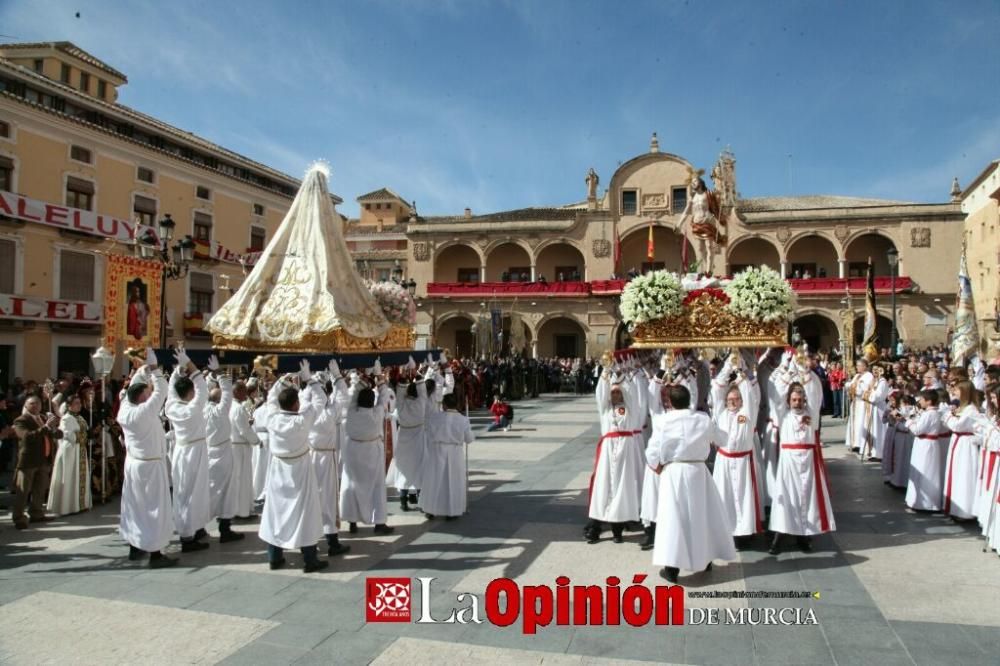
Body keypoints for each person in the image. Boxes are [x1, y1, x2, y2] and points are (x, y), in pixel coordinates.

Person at [646, 384, 735, 583]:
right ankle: (705, 559)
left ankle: (672, 567)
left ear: (670, 402)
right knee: (701, 516)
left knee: (674, 519)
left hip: (674, 472)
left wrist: (658, 467)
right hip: (698, 471)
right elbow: (722, 439)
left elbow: (652, 452)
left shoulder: (663, 420)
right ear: (689, 400)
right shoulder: (703, 419)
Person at [259, 361, 328, 572]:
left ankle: (274, 556)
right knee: (306, 512)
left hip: (279, 469)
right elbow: (321, 400)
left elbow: (271, 398)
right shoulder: (302, 421)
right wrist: (309, 378)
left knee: (276, 512)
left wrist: (281, 380)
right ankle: (310, 559)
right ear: (296, 404)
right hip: (300, 470)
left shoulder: (272, 419)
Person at [117, 348, 176, 567]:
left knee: (135, 506)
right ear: (142, 397)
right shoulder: (145, 411)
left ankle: (135, 547)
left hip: (133, 464)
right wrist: (153, 368)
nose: (149, 395)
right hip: (150, 466)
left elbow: (134, 390)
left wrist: (141, 369)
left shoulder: (124, 410)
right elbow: (163, 389)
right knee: (154, 507)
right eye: (146, 394)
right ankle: (155, 553)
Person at [768, 382, 836, 555]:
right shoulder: (783, 415)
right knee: (787, 499)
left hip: (807, 463)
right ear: (788, 401)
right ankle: (779, 537)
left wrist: (805, 374)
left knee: (806, 499)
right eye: (794, 400)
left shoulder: (811, 414)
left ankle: (804, 536)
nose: (797, 403)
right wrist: (787, 374)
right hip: (789, 464)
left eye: (800, 400)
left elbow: (815, 394)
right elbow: (776, 399)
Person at [584, 364, 645, 545]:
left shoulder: (630, 409)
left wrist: (622, 374)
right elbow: (600, 393)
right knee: (603, 487)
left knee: (622, 488)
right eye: (613, 392)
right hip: (608, 450)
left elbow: (633, 394)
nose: (615, 395)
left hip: (625, 449)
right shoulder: (605, 409)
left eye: (618, 392)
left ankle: (618, 529)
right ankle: (596, 527)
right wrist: (606, 372)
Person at [710, 354, 764, 550]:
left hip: (742, 462)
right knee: (724, 497)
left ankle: (744, 532)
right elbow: (716, 388)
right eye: (730, 399)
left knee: (743, 498)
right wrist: (727, 368)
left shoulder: (747, 413)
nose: (733, 401)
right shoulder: (721, 413)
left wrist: (740, 372)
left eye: (736, 399)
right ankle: (727, 530)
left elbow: (749, 396)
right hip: (724, 461)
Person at [164, 349, 212, 552]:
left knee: (191, 492)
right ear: (190, 393)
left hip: (183, 451)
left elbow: (171, 390)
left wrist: (178, 368)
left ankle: (196, 526)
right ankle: (187, 535)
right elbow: (202, 386)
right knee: (191, 493)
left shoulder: (171, 406)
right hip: (194, 453)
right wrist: (189, 364)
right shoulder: (193, 408)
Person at [340, 366, 395, 535]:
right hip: (372, 451)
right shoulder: (377, 413)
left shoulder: (351, 412)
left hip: (353, 451)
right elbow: (384, 396)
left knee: (351, 485)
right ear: (372, 402)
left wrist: (362, 377)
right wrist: (378, 375)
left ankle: (352, 521)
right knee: (377, 487)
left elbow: (355, 396)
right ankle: (379, 523)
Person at [308, 359, 351, 557]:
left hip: (308, 458)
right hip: (326, 459)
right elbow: (343, 397)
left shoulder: (304, 413)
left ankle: (310, 540)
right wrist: (337, 376)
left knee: (312, 498)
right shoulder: (329, 413)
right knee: (329, 498)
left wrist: (309, 380)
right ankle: (332, 542)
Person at [421, 393, 474, 519]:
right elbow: (469, 439)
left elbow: (428, 432)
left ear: (444, 405)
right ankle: (452, 511)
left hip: (437, 450)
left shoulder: (434, 417)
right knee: (453, 481)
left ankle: (430, 509)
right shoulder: (463, 419)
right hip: (454, 452)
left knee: (434, 480)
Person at [205, 369, 243, 542]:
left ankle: (199, 525)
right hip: (223, 453)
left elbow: (203, 392)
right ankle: (225, 528)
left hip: (208, 452)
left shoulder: (202, 410)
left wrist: (210, 377)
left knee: (209, 491)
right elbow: (227, 392)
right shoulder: (220, 412)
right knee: (227, 491)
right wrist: (220, 374)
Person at [12, 395, 60, 529]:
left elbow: (57, 434)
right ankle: (19, 517)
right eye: (32, 403)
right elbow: (27, 437)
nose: (36, 406)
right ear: (26, 405)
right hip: (28, 461)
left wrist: (55, 428)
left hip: (44, 460)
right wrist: (45, 427)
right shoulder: (21, 420)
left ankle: (37, 513)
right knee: (23, 491)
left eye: (38, 403)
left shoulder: (43, 418)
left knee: (39, 489)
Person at [388, 360, 430, 511]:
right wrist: (416, 372)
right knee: (419, 468)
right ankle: (422, 500)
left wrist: (405, 371)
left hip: (404, 437)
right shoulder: (421, 404)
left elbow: (400, 390)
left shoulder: (401, 404)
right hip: (418, 438)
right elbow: (423, 389)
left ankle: (403, 501)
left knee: (403, 469)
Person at [46, 394, 91, 516]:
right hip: (70, 451)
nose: (79, 405)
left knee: (77, 476)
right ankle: (67, 507)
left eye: (79, 403)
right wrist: (85, 436)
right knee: (69, 476)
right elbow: (69, 435)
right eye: (76, 403)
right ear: (69, 406)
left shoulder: (80, 417)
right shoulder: (66, 418)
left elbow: (84, 430)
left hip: (79, 450)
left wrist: (88, 434)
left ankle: (79, 504)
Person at [943, 380, 981, 521]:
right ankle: (955, 507)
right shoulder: (963, 408)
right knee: (956, 474)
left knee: (964, 476)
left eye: (957, 390)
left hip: (966, 445)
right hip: (959, 443)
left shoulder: (971, 409)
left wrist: (948, 416)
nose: (954, 392)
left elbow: (958, 426)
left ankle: (964, 511)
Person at [904, 389, 945, 511]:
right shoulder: (931, 413)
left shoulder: (930, 414)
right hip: (924, 444)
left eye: (922, 399)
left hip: (926, 445)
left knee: (925, 471)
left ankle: (926, 503)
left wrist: (908, 421)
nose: (919, 401)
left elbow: (918, 430)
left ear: (929, 401)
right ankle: (918, 501)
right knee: (923, 470)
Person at [229, 380, 259, 520]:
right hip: (240, 447)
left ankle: (234, 509)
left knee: (236, 479)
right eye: (243, 391)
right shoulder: (238, 408)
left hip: (232, 445)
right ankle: (241, 511)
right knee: (242, 479)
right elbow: (244, 430)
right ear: (236, 392)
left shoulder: (228, 406)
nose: (245, 394)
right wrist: (256, 440)